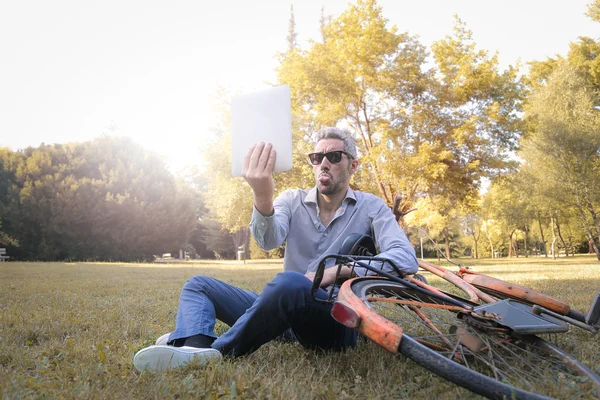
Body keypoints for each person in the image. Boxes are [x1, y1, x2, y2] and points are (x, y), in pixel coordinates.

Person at [133, 127, 418, 372]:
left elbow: (405, 258)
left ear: (353, 165)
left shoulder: (372, 207)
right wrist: (262, 195)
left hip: (334, 319)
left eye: (334, 157)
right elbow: (268, 240)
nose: (323, 164)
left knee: (290, 282)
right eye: (317, 158)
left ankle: (219, 349)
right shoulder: (291, 199)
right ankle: (194, 345)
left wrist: (339, 270)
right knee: (199, 285)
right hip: (283, 309)